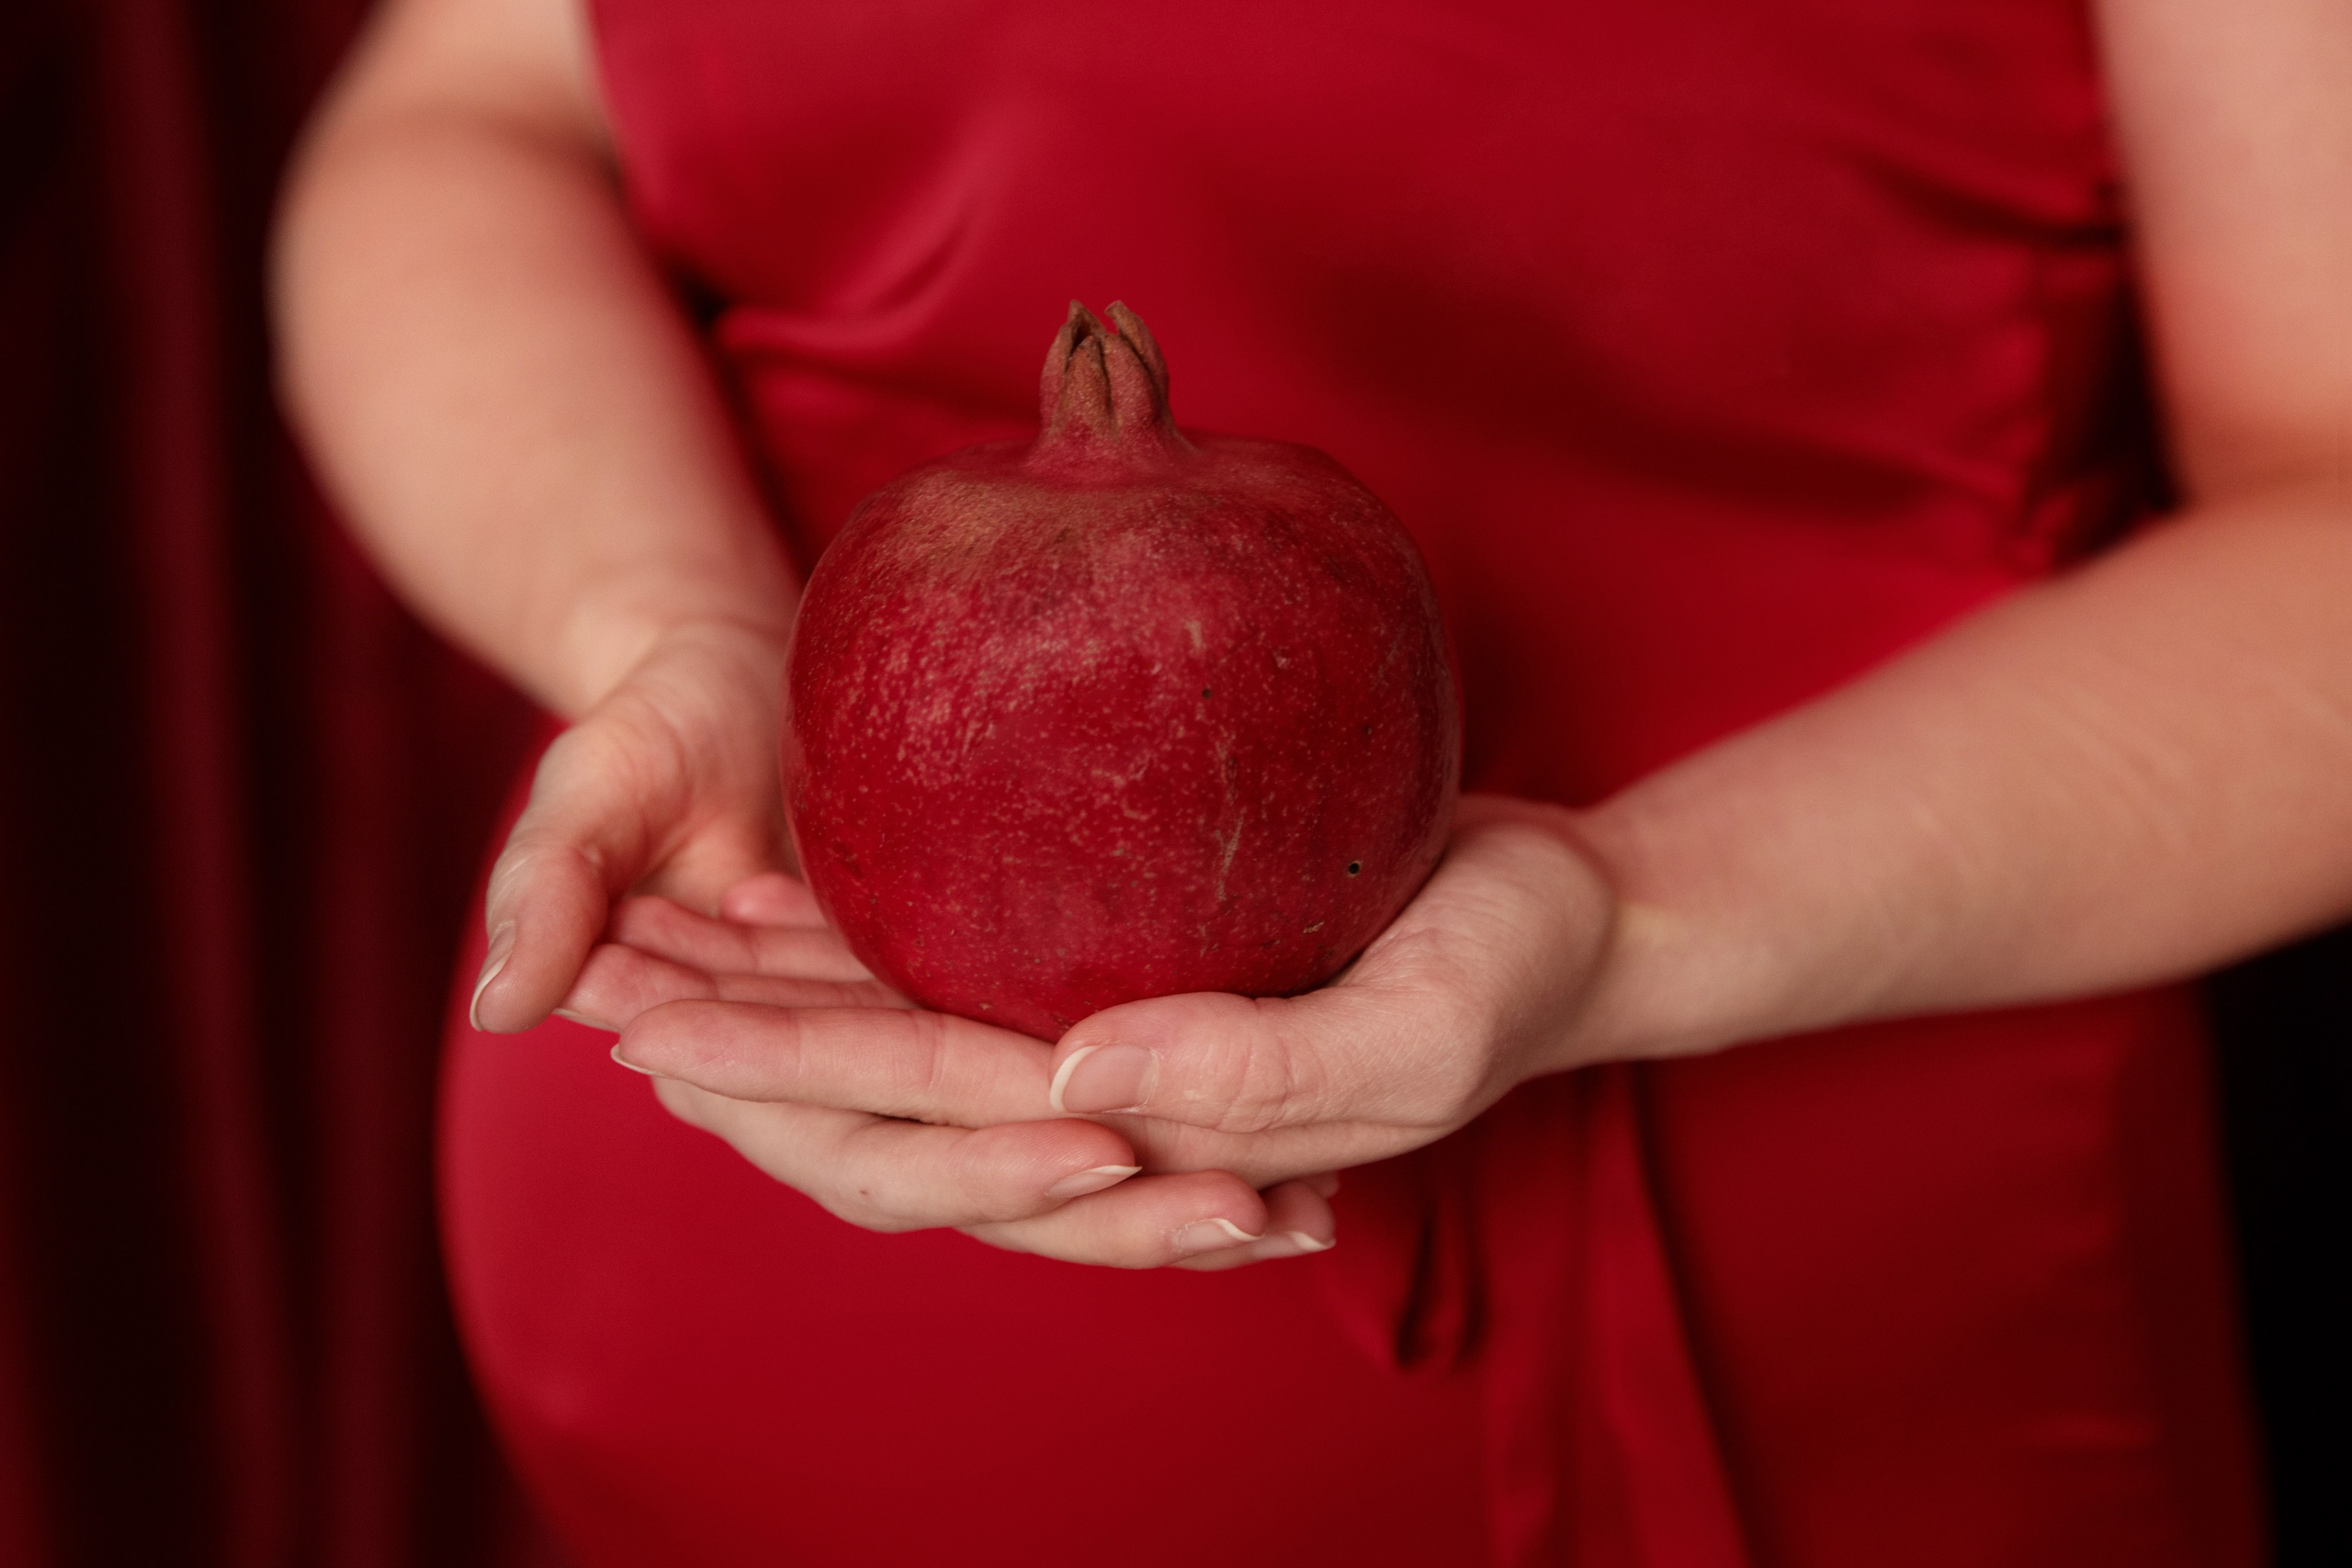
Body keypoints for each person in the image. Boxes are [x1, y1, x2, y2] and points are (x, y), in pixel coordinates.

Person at [272, 0, 2348, 1562]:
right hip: (733, 1303)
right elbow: (465, 119)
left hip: (1823, 1261)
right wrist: (665, 623)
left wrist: (1636, 909)